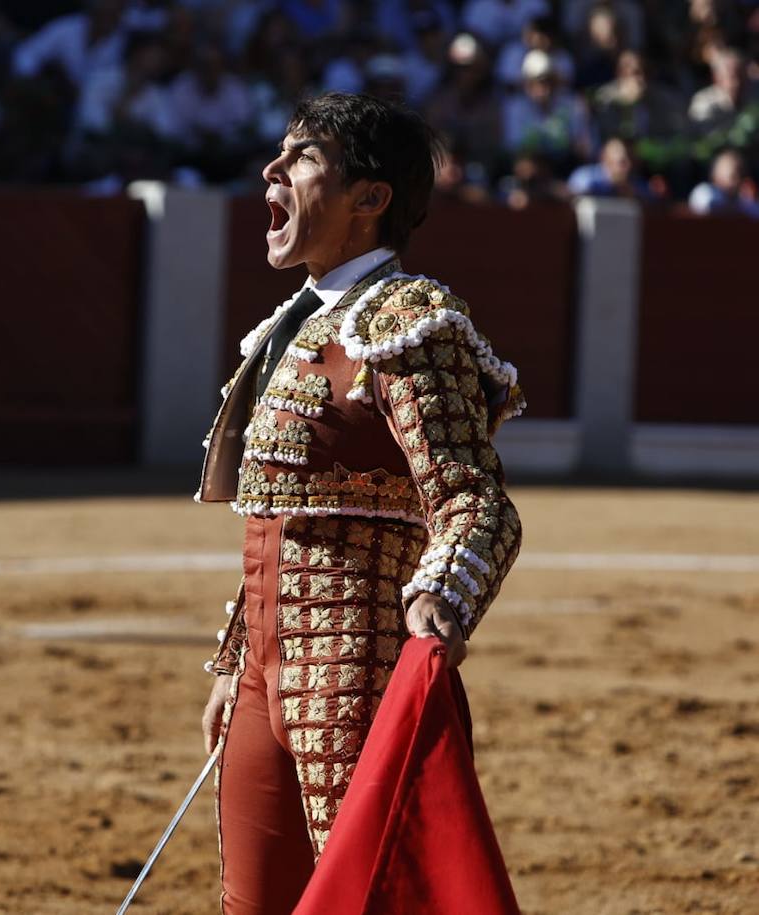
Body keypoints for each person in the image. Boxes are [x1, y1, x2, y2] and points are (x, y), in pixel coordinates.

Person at [197, 92, 524, 914]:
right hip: (265, 671)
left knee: (371, 896)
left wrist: (441, 598)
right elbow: (276, 520)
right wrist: (240, 658)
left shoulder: (409, 320)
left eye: (303, 157)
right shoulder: (294, 322)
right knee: (255, 901)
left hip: (358, 662)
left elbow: (476, 502)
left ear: (371, 199)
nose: (274, 168)